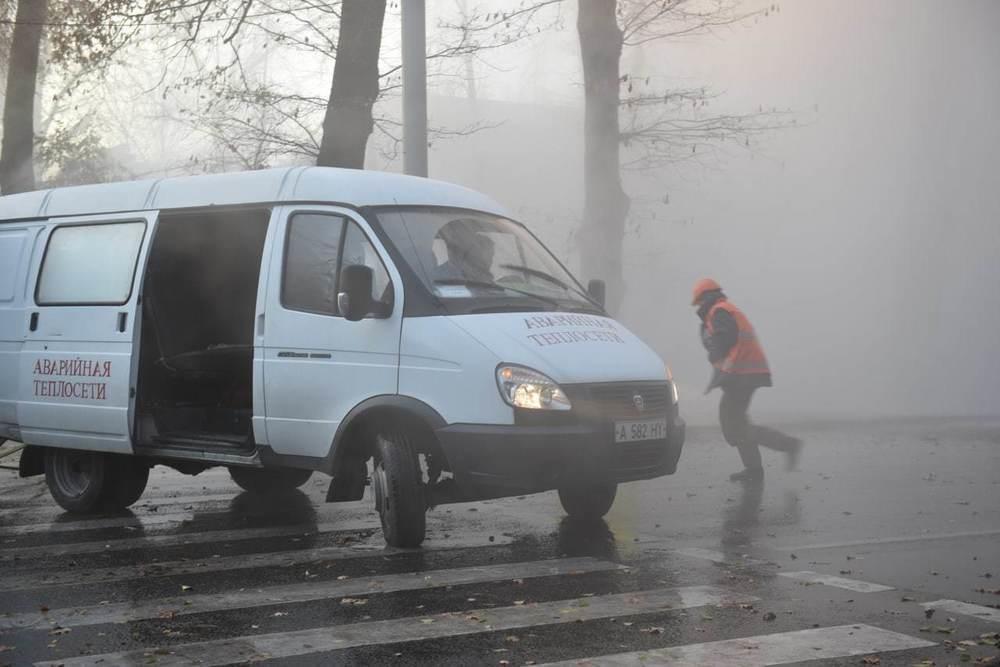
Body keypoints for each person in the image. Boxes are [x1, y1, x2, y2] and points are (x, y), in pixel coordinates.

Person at [692, 278, 803, 482]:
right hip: (744, 374)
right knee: (737, 422)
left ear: (706, 298)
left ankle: (788, 445)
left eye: (699, 302)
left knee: (733, 423)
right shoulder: (722, 309)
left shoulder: (719, 311)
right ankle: (754, 469)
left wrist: (713, 354)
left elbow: (725, 339)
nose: (698, 307)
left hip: (742, 374)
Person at [434, 219, 496, 284]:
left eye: (492, 256)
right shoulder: (441, 276)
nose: (490, 261)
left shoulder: (485, 278)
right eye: (488, 256)